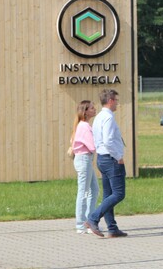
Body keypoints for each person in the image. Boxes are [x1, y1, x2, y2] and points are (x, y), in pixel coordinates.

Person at [85, 89, 127, 238]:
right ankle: (93, 218)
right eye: (116, 100)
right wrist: (118, 156)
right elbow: (108, 140)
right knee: (119, 193)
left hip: (102, 158)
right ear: (110, 101)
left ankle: (112, 228)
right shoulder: (108, 118)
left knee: (108, 194)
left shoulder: (99, 117)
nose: (117, 103)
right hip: (111, 159)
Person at [71, 100, 99, 234]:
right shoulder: (84, 126)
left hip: (85, 159)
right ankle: (81, 224)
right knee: (84, 192)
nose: (95, 109)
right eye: (92, 108)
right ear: (86, 111)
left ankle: (89, 220)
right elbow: (92, 145)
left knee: (94, 189)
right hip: (84, 160)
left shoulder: (83, 125)